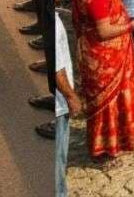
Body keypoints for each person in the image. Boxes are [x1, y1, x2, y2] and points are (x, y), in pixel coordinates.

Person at [71, 0, 134, 160]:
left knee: (114, 101)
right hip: (104, 56)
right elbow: (103, 31)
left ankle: (118, 139)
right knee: (108, 104)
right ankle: (108, 148)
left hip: (103, 52)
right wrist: (133, 24)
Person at [50, 10, 78, 195]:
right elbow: (58, 69)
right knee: (58, 163)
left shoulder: (56, 19)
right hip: (61, 104)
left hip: (60, 101)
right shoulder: (55, 24)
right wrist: (71, 96)